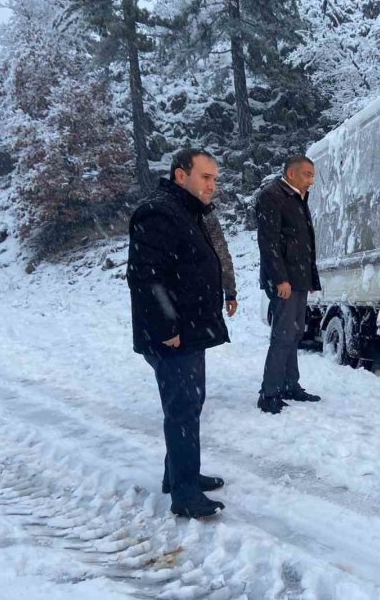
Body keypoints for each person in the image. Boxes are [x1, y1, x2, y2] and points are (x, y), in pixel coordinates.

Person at [127, 149, 237, 519]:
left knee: (188, 405)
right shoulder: (159, 213)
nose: (212, 185)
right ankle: (185, 495)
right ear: (180, 176)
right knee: (183, 409)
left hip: (190, 331)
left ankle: (178, 474)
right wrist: (167, 328)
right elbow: (146, 277)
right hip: (174, 334)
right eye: (205, 177)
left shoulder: (186, 213)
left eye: (215, 179)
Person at [255, 155, 322, 414]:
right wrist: (280, 278)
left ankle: (289, 385)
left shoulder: (297, 197)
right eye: (307, 174)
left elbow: (304, 244)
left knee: (294, 334)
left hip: (299, 279)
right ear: (291, 174)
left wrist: (310, 279)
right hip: (284, 281)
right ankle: (269, 393)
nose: (311, 180)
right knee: (282, 336)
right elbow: (268, 243)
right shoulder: (272, 196)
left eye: (313, 175)